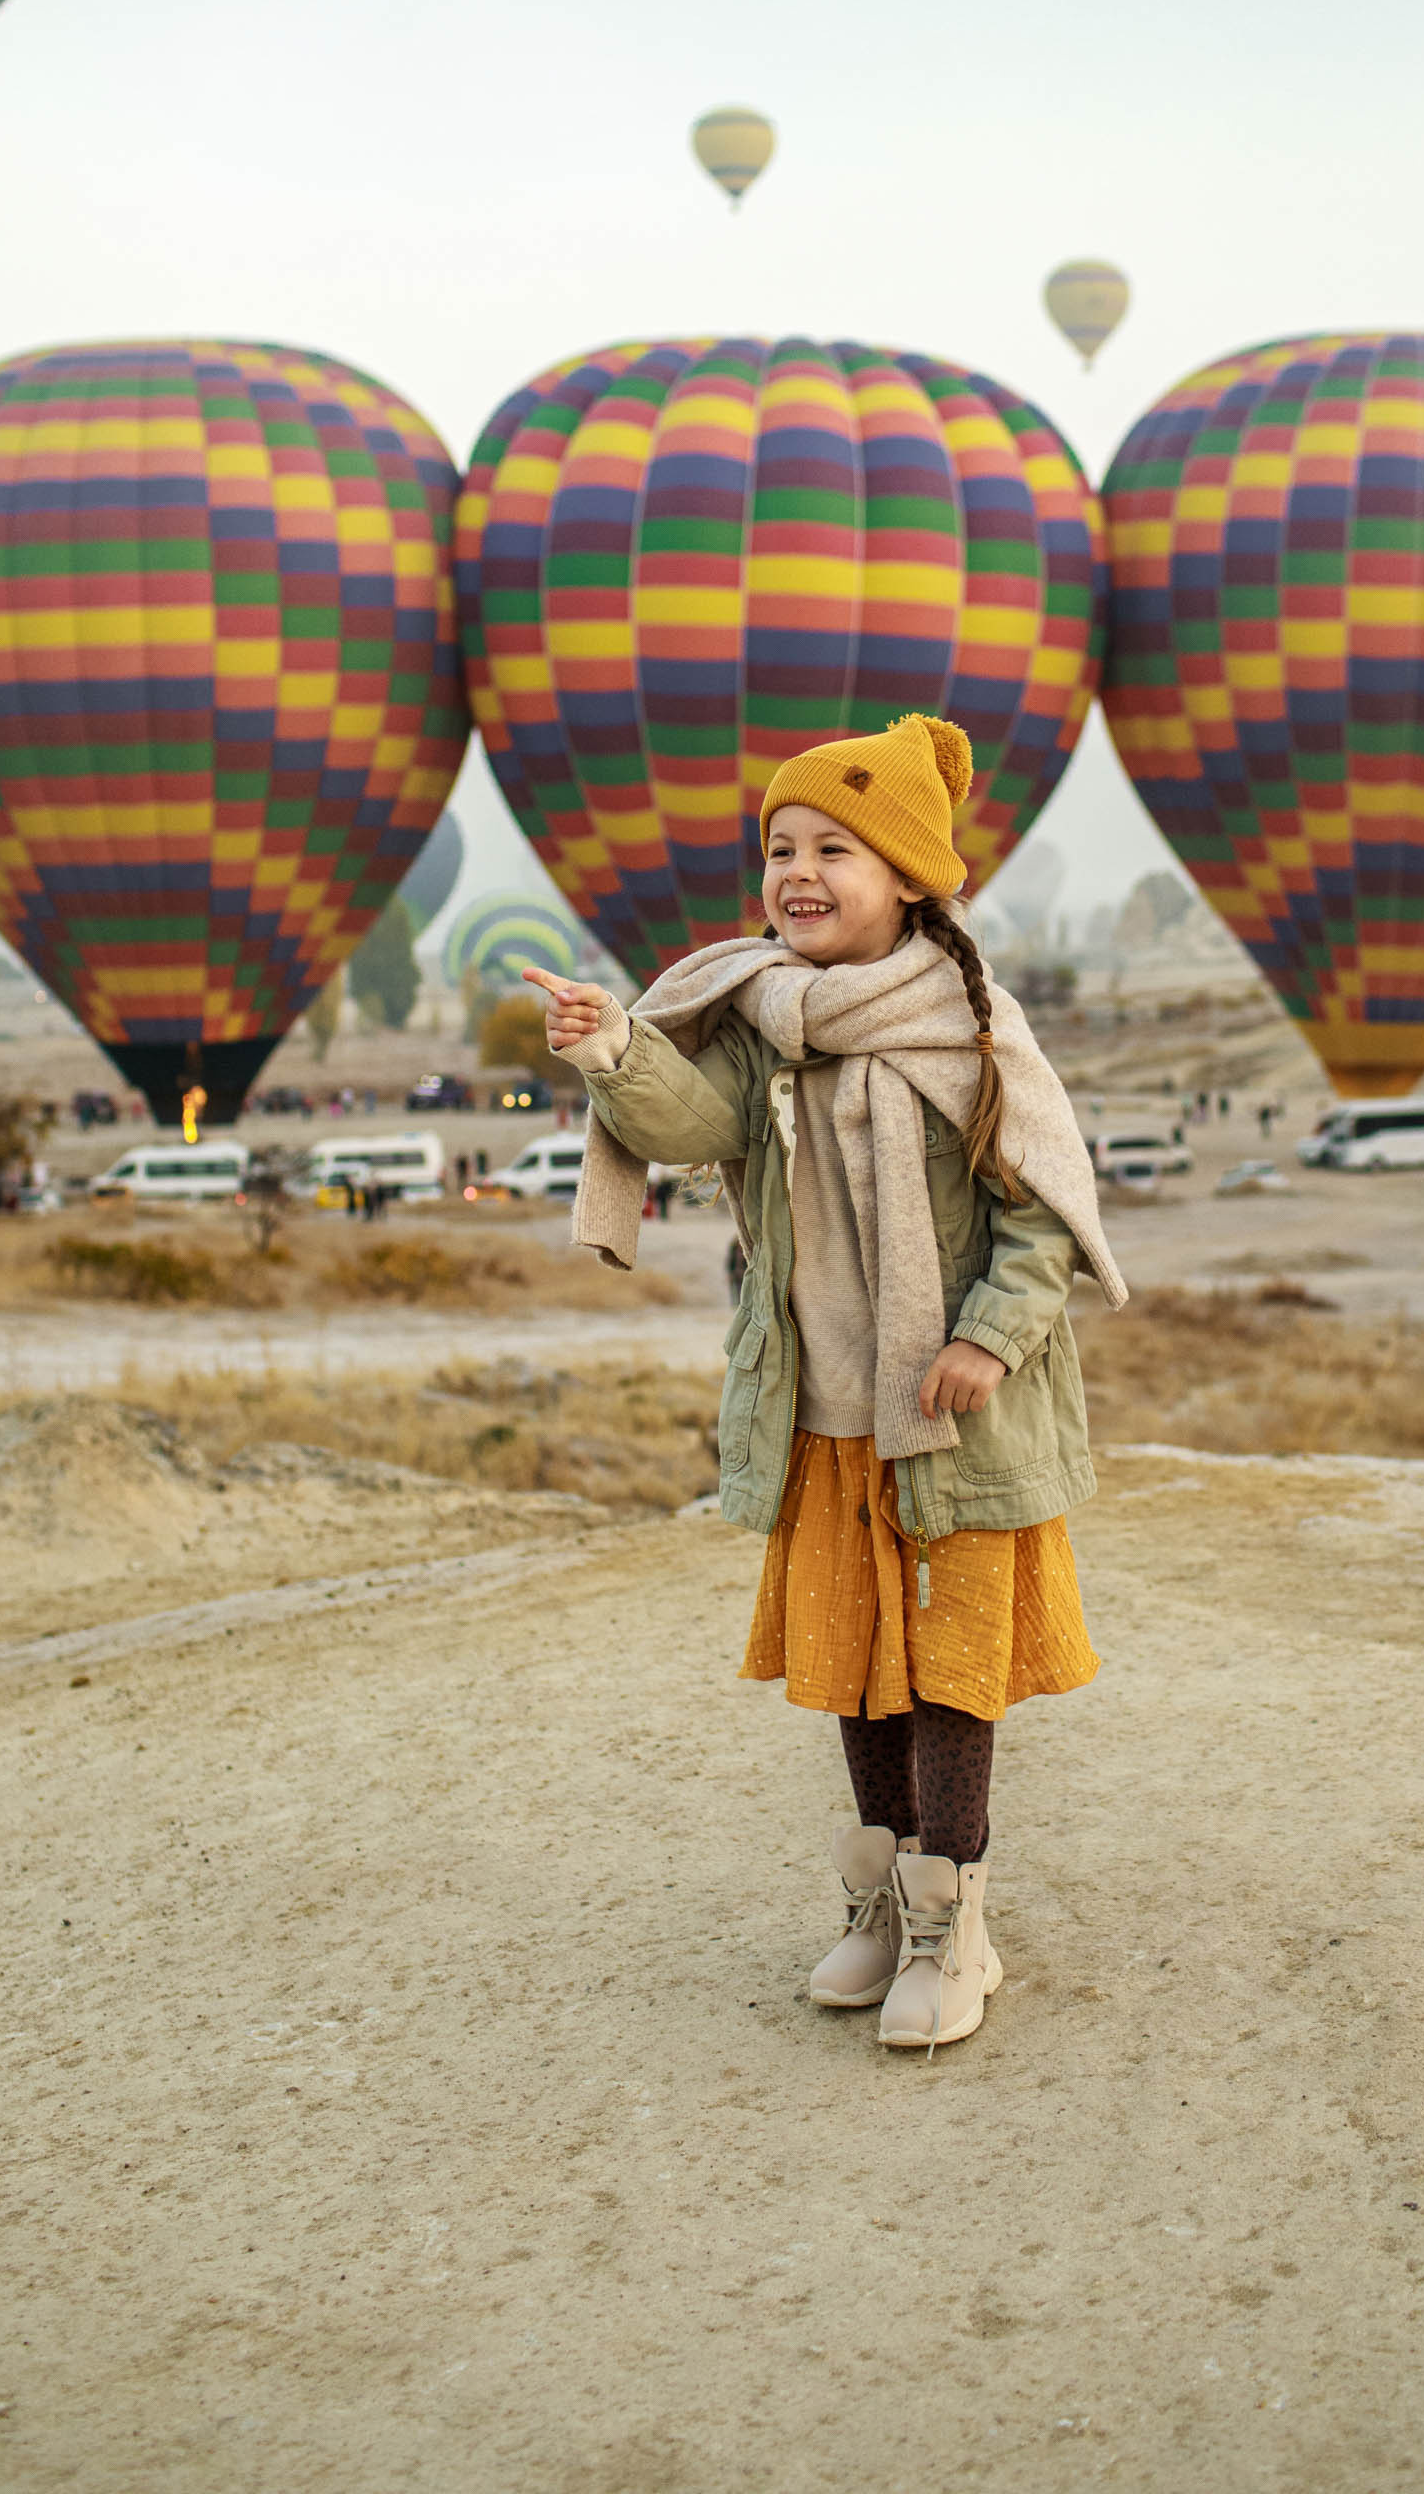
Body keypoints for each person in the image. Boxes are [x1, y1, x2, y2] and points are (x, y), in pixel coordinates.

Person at [525, 714, 1126, 2056]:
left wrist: (989, 1338)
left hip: (955, 1415)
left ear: (910, 874)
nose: (797, 870)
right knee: (859, 1669)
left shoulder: (975, 1032)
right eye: (779, 847)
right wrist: (615, 1049)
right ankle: (875, 1903)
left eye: (833, 848)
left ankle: (949, 1924)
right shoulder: (762, 1018)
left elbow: (1040, 1216)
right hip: (825, 1412)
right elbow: (693, 1128)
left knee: (951, 1672)